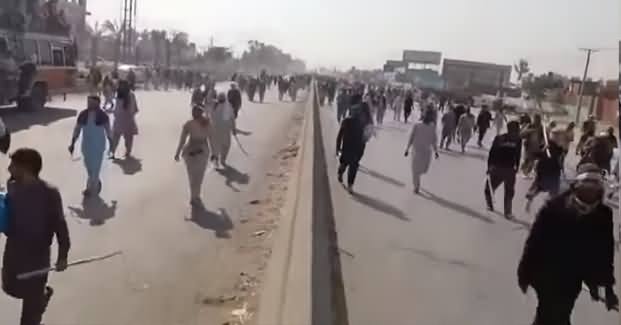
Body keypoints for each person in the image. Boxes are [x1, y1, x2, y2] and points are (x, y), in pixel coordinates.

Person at [518, 163, 618, 325]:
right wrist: (524, 272)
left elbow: (605, 251)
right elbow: (534, 242)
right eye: (586, 187)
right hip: (546, 273)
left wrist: (607, 288)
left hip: (574, 277)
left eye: (594, 188)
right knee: (551, 313)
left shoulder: (603, 215)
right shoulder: (553, 208)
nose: (590, 192)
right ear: (576, 186)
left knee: (558, 314)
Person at [2, 148, 70, 325]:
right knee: (10, 288)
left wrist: (63, 255)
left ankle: (37, 302)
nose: (9, 169)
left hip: (37, 257)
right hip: (13, 252)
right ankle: (42, 297)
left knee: (30, 315)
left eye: (13, 165)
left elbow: (60, 226)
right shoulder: (12, 187)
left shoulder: (49, 193)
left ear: (26, 168)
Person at [69, 96, 112, 197]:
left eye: (92, 102)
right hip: (86, 146)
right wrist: (72, 143)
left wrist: (111, 143)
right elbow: (77, 129)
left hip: (99, 146)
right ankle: (96, 183)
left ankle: (89, 189)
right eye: (88, 102)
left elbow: (109, 131)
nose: (89, 104)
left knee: (96, 168)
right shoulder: (83, 114)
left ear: (97, 103)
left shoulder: (103, 116)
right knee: (89, 168)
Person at [175, 105, 213, 206]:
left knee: (192, 176)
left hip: (190, 151)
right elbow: (211, 139)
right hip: (203, 151)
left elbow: (182, 140)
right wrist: (214, 152)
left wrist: (177, 153)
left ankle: (193, 196)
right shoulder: (207, 123)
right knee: (199, 176)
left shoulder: (189, 124)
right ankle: (196, 196)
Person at [484, 120, 522, 219]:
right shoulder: (503, 139)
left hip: (504, 169)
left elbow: (517, 154)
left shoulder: (515, 140)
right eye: (516, 129)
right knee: (491, 189)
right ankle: (496, 207)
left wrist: (517, 166)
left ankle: (504, 210)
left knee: (505, 191)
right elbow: (492, 153)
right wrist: (489, 166)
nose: (516, 132)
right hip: (501, 168)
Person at [525, 127, 565, 212]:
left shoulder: (558, 148)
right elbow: (536, 155)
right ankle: (529, 201)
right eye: (558, 136)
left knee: (554, 192)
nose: (560, 138)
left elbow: (560, 156)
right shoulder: (545, 145)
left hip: (554, 171)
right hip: (544, 170)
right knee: (538, 188)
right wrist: (544, 149)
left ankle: (551, 208)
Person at [404, 110, 439, 194]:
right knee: (415, 170)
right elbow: (411, 137)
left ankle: (417, 182)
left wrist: (436, 151)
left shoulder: (432, 127)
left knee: (423, 170)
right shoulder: (417, 125)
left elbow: (434, 140)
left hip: (426, 152)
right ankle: (416, 187)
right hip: (417, 151)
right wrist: (407, 149)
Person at [336, 108, 366, 193]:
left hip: (350, 149)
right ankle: (344, 178)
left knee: (350, 166)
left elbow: (339, 136)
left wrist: (337, 148)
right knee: (346, 165)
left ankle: (349, 184)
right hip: (350, 149)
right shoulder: (348, 122)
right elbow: (363, 141)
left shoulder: (349, 121)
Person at [109, 80, 139, 159]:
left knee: (115, 137)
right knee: (128, 137)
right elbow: (135, 108)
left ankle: (112, 152)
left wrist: (113, 112)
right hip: (128, 119)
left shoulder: (118, 95)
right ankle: (127, 152)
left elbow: (116, 108)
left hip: (119, 120)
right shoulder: (131, 94)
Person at [210, 93, 237, 168]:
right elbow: (232, 119)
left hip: (216, 130)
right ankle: (222, 159)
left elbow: (210, 117)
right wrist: (233, 129)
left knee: (216, 146)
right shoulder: (228, 107)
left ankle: (216, 160)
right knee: (226, 146)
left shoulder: (214, 106)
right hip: (224, 130)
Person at [520, 114, 544, 178]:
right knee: (528, 160)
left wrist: (542, 143)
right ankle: (525, 172)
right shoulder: (530, 126)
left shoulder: (541, 127)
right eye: (536, 119)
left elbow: (544, 136)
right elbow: (521, 134)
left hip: (537, 147)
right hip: (529, 146)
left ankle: (528, 172)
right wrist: (529, 131)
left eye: (538, 119)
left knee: (533, 161)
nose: (537, 121)